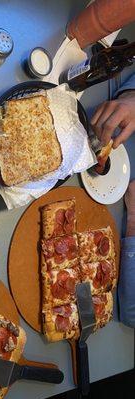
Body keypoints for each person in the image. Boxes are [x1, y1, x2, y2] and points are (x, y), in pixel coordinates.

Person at [91, 73, 135, 328]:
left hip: (119, 227)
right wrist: (131, 98)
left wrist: (133, 220)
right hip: (116, 122)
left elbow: (132, 315)